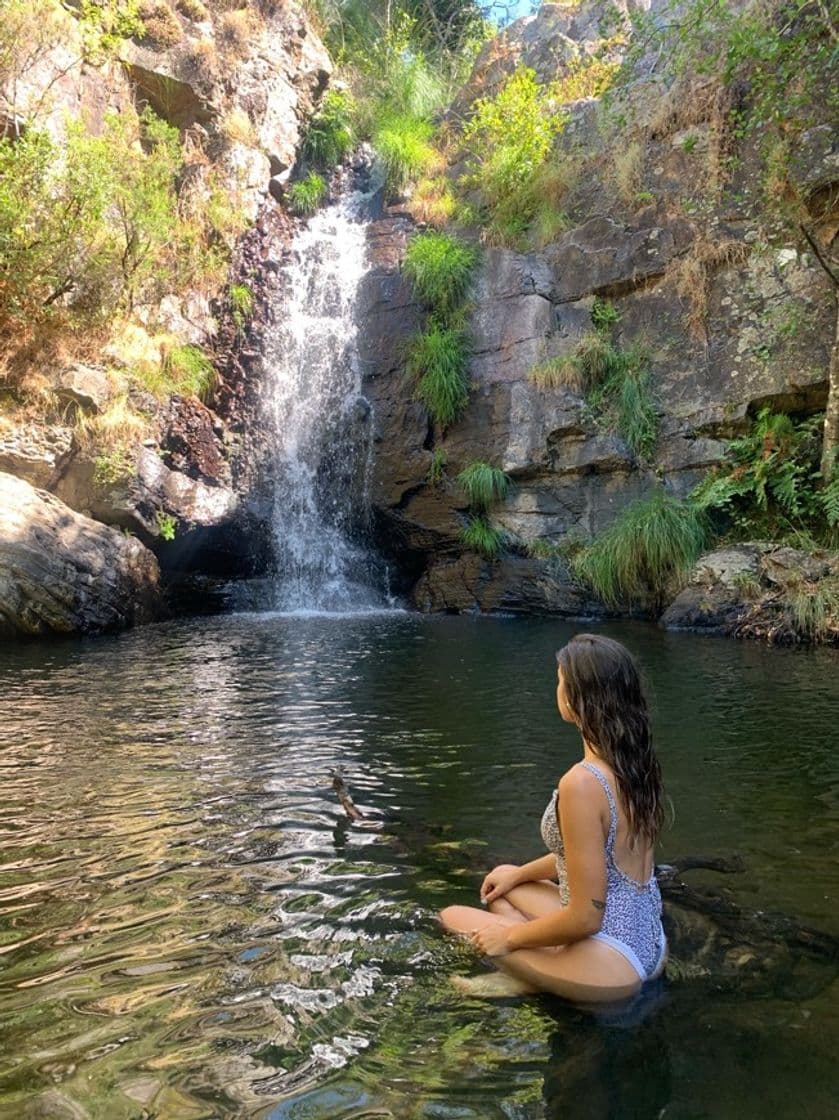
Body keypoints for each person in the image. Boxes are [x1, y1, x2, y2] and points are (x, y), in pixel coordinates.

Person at [440, 633, 667, 1003]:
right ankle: (545, 973)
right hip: (649, 939)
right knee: (504, 888)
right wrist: (518, 873)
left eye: (559, 679)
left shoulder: (581, 783)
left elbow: (585, 919)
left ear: (579, 698)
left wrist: (508, 939)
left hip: (614, 965)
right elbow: (594, 858)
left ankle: (534, 981)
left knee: (452, 917)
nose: (556, 686)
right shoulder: (635, 761)